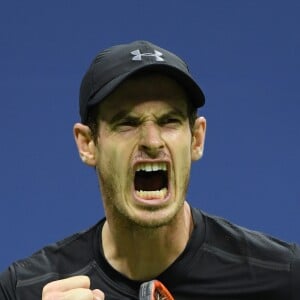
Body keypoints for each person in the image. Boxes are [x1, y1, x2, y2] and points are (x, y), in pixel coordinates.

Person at [0, 40, 299, 300]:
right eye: (126, 123)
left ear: (196, 139)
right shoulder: (24, 289)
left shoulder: (284, 277)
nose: (152, 142)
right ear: (88, 144)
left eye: (169, 121)